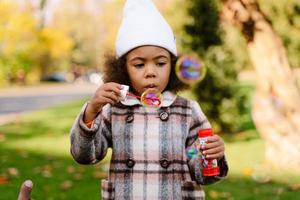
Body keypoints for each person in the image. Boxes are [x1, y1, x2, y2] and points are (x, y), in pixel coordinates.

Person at [70, 0, 228, 199]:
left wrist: (213, 156)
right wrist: (91, 112)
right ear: (123, 69)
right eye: (139, 64)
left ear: (172, 65)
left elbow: (203, 174)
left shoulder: (188, 111)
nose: (151, 72)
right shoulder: (114, 111)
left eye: (160, 63)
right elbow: (85, 156)